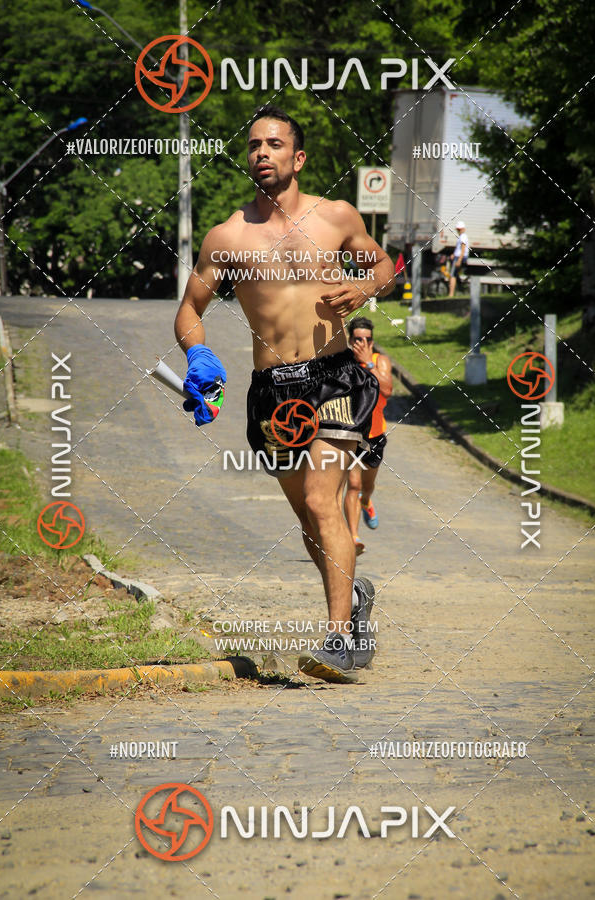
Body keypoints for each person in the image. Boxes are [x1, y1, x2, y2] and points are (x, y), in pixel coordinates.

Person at [174, 105, 394, 683]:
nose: (261, 153)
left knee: (323, 502)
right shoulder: (228, 237)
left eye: (273, 144)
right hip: (274, 394)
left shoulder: (336, 216)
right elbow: (190, 310)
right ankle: (355, 598)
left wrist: (365, 287)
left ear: (298, 158)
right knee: (308, 519)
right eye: (253, 145)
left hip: (335, 377)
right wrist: (198, 356)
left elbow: (383, 264)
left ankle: (338, 638)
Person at [344, 317, 393, 556]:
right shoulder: (344, 363)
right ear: (350, 340)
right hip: (351, 433)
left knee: (367, 486)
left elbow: (387, 390)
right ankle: (353, 537)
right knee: (353, 485)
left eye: (367, 339)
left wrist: (368, 364)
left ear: (372, 341)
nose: (363, 344)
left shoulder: (380, 361)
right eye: (357, 339)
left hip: (375, 434)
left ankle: (366, 502)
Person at [448, 220, 469, 297]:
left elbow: (463, 249)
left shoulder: (463, 236)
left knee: (452, 275)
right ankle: (459, 289)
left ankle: (451, 294)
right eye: (458, 229)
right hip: (457, 257)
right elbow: (459, 249)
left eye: (459, 229)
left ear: (463, 229)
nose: (458, 231)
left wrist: (459, 260)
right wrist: (453, 255)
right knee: (455, 274)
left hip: (459, 258)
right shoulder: (461, 236)